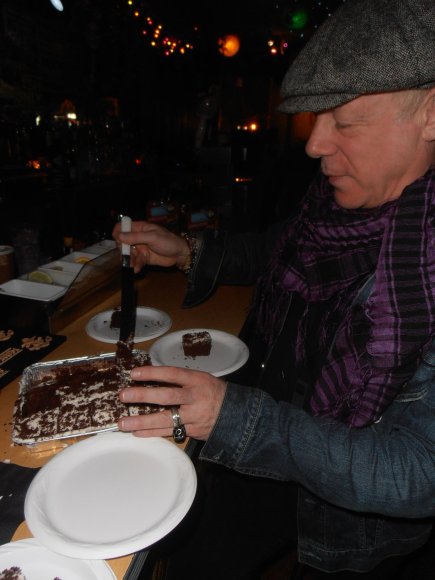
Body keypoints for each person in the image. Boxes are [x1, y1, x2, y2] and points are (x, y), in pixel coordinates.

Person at [112, 0, 435, 577]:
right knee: (185, 558)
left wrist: (236, 420)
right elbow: (275, 248)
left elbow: (416, 472)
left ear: (432, 114)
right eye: (316, 118)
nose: (314, 144)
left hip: (342, 505)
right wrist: (187, 250)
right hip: (269, 428)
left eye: (343, 119)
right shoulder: (338, 207)